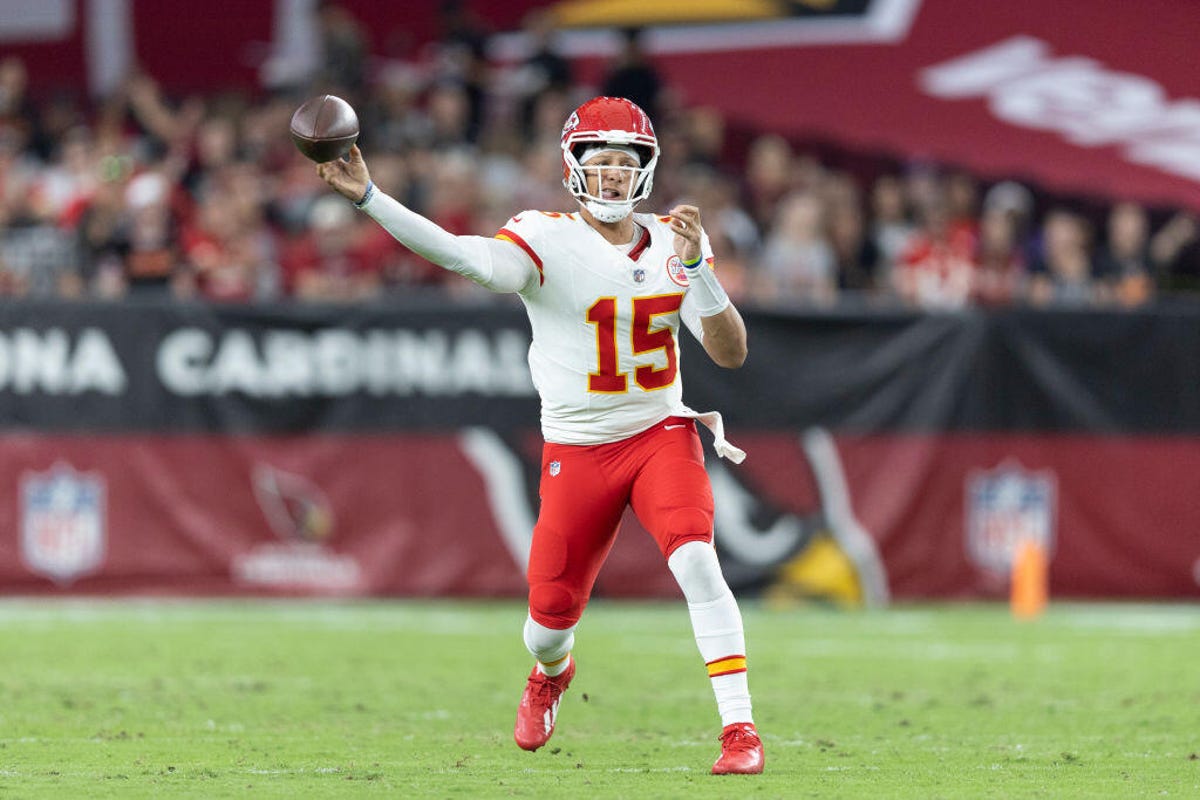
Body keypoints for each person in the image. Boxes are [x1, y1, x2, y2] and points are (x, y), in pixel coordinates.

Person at [315, 96, 763, 775]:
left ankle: (740, 733)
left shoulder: (676, 240)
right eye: (599, 161)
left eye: (625, 162)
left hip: (657, 433)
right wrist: (371, 198)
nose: (612, 175)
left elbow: (730, 354)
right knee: (547, 623)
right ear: (572, 168)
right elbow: (469, 260)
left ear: (646, 169)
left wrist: (702, 269)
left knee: (697, 559)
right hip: (577, 451)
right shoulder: (545, 237)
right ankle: (550, 673)